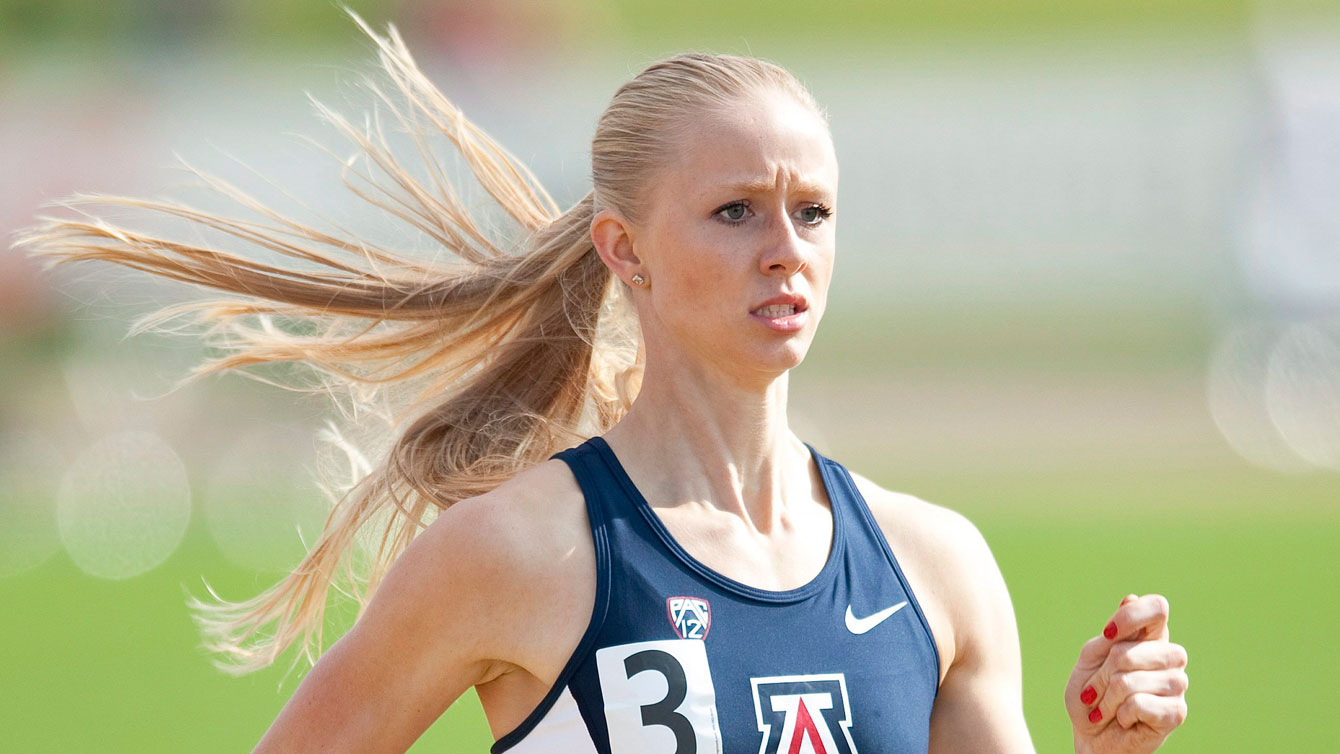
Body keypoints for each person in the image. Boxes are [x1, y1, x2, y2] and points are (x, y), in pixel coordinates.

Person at [13, 11, 1188, 754]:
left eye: (812, 211)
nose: (785, 246)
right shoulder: (519, 554)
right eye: (734, 211)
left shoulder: (935, 568)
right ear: (622, 250)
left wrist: (1111, 751)